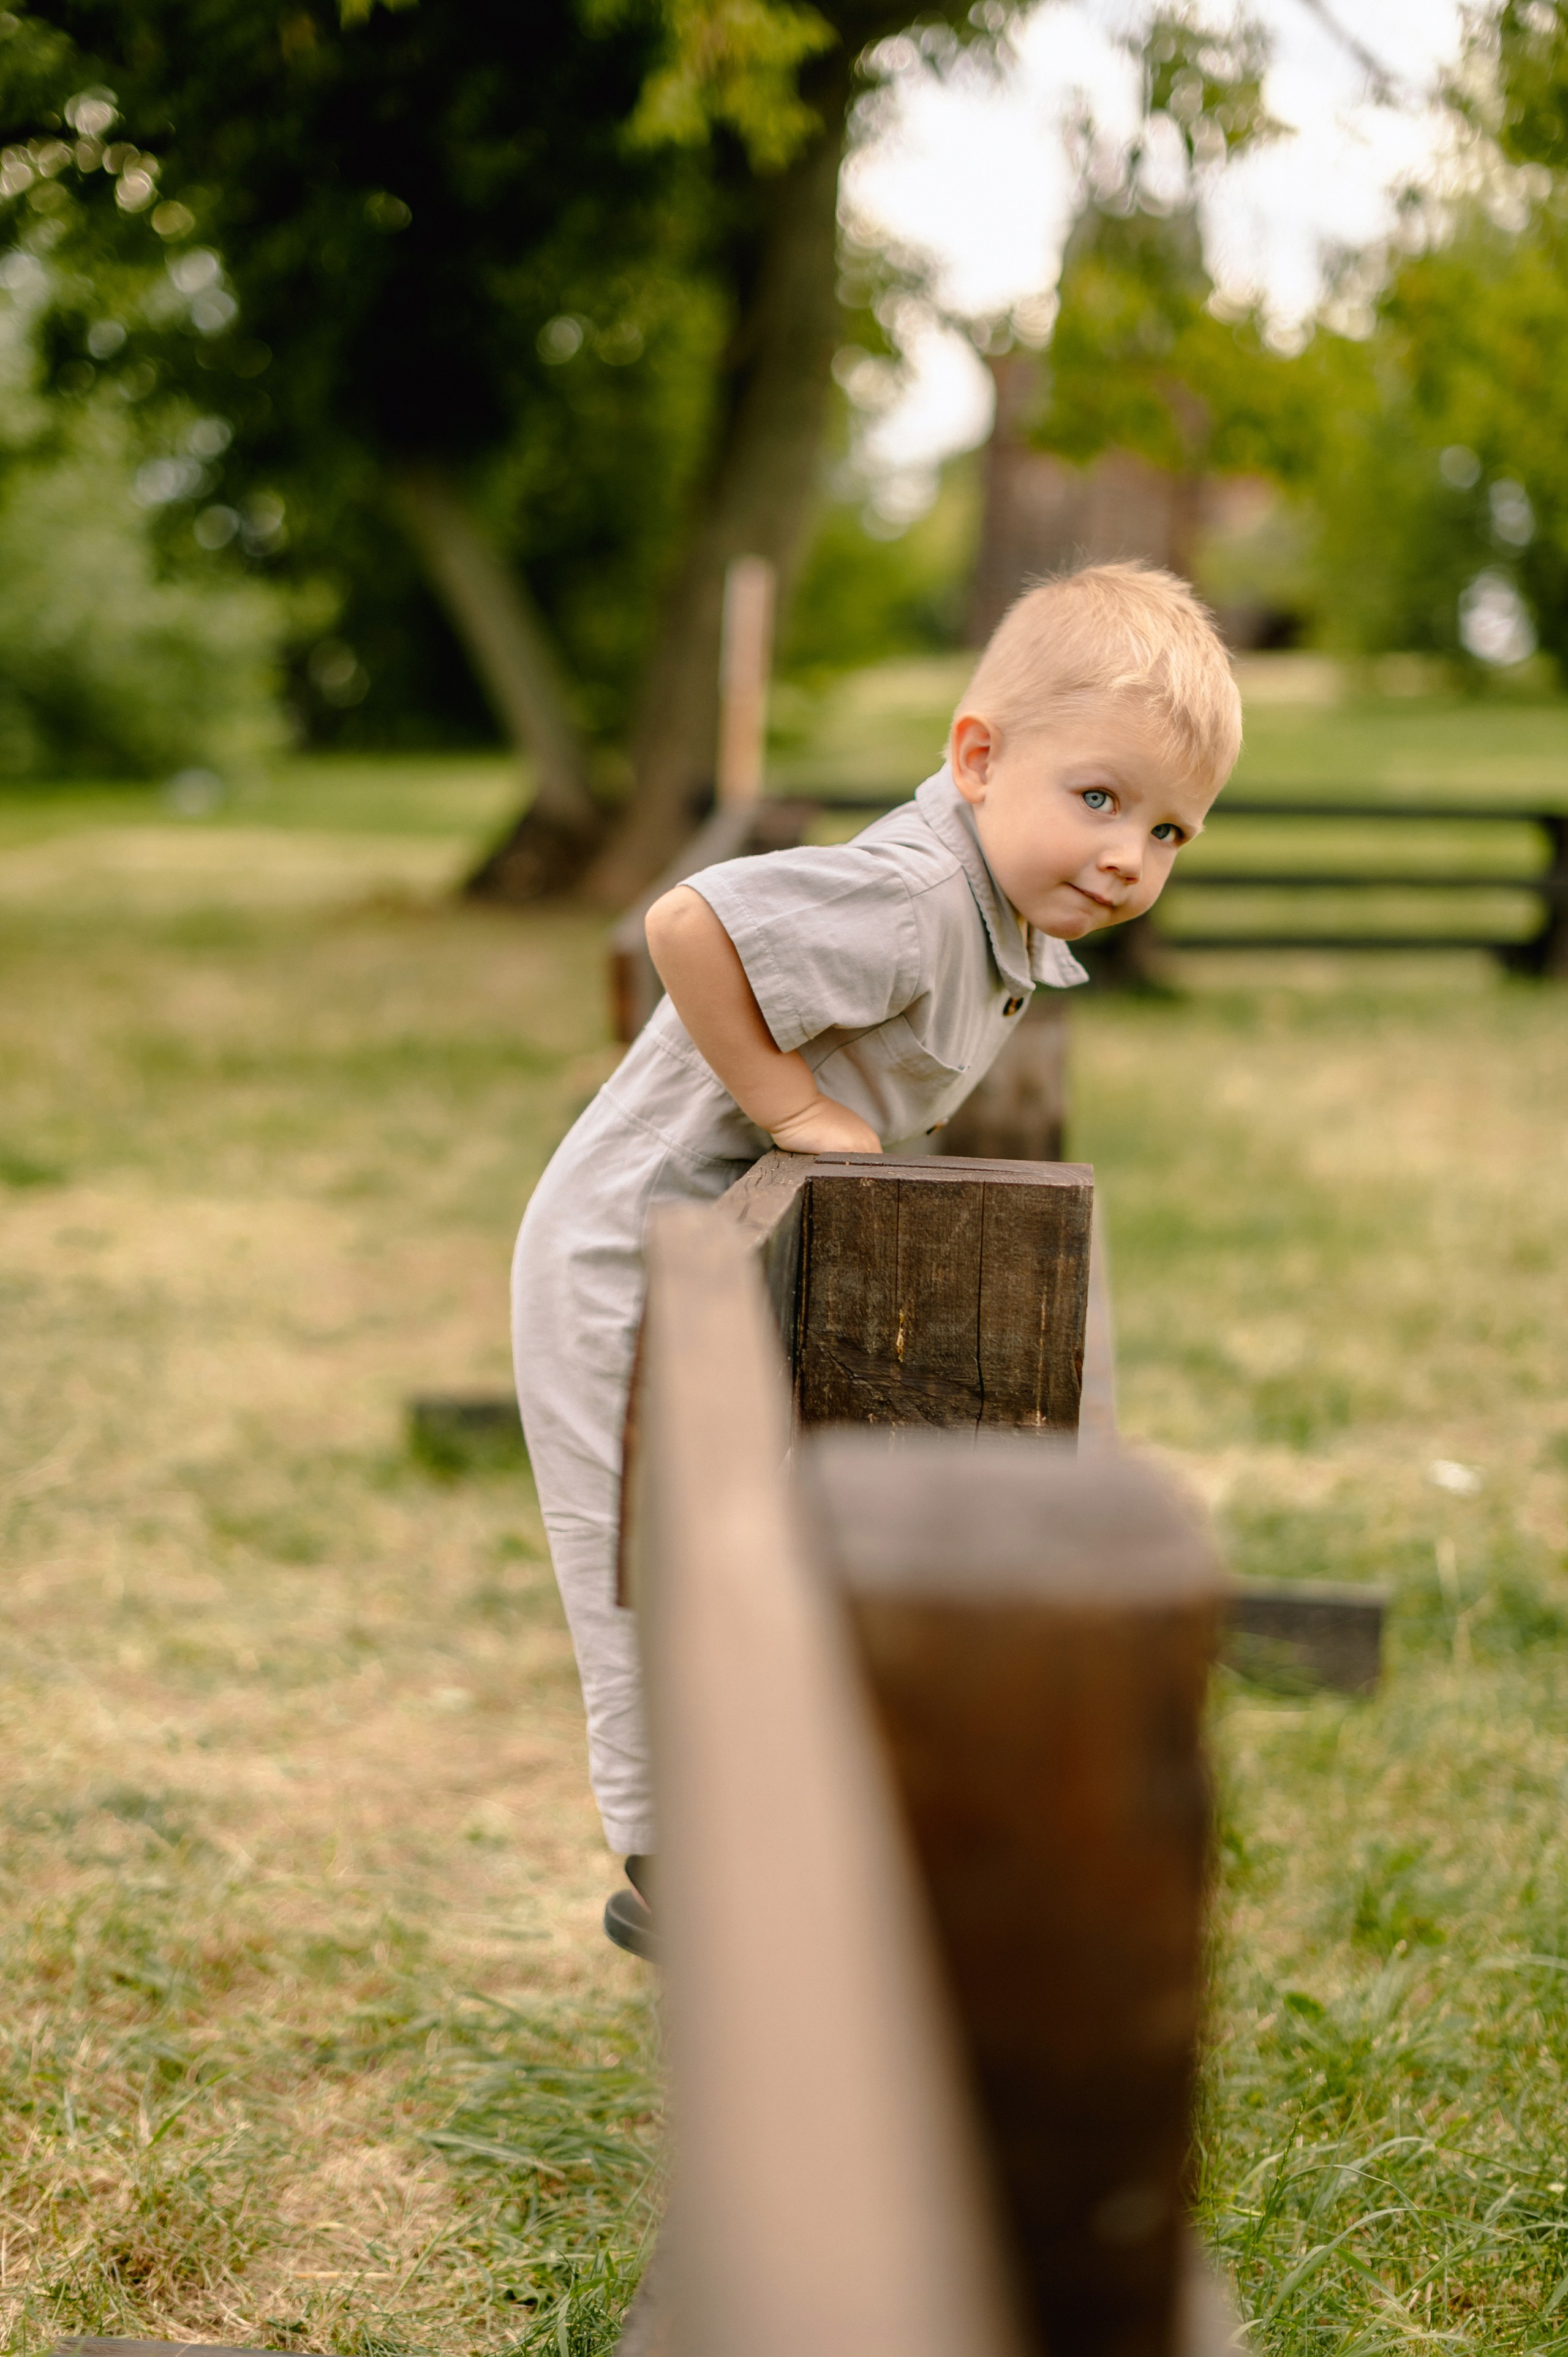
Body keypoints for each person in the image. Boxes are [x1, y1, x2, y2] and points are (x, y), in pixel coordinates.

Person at [510, 560, 1243, 1957]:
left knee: (767, 1541)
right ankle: (673, 1866)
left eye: (1168, 832)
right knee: (639, 1557)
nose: (1128, 859)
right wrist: (792, 1106)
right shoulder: (913, 896)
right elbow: (688, 925)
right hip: (624, 1251)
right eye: (1099, 799)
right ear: (978, 759)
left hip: (736, 1254)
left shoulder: (997, 910)